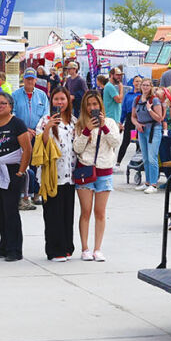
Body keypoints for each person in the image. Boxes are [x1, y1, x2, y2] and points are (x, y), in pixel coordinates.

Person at [0, 91, 31, 261]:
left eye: (3, 103)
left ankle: (15, 249)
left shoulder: (17, 124)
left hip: (11, 172)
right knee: (0, 211)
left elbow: (27, 149)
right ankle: (3, 245)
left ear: (10, 106)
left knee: (11, 211)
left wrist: (20, 172)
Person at [71, 89, 118, 261]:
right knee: (85, 211)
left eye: (95, 104)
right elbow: (77, 148)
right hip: (86, 171)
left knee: (100, 212)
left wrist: (104, 126)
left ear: (100, 105)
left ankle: (98, 248)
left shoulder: (111, 123)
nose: (92, 108)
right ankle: (85, 248)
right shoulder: (80, 124)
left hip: (104, 172)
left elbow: (115, 143)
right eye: (89, 105)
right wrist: (86, 131)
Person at [36, 87, 77, 261]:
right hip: (52, 174)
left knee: (68, 213)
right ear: (51, 101)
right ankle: (55, 249)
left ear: (68, 101)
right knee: (53, 213)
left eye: (62, 99)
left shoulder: (74, 121)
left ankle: (67, 247)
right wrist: (48, 129)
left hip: (71, 174)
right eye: (56, 99)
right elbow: (41, 145)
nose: (59, 102)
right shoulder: (44, 120)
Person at [12, 70, 50, 205]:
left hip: (37, 135)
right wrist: (24, 130)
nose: (29, 81)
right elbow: (13, 113)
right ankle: (22, 194)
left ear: (35, 80)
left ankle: (35, 193)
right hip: (21, 135)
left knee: (36, 164)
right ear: (24, 79)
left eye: (32, 79)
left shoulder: (42, 95)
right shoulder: (15, 95)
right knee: (22, 163)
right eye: (27, 78)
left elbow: (46, 114)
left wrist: (36, 130)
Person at [131, 77, 162, 193]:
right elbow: (133, 117)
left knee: (152, 157)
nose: (145, 87)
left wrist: (149, 110)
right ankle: (147, 182)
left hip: (154, 129)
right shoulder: (137, 99)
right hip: (141, 130)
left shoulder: (154, 100)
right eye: (143, 85)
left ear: (151, 87)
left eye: (147, 85)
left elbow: (159, 118)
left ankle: (153, 184)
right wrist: (137, 124)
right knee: (145, 157)